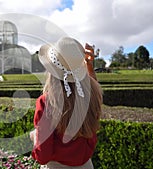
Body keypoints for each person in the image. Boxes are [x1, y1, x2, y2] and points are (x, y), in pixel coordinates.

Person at [30, 37, 103, 169]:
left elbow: (43, 156)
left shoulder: (47, 102)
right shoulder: (92, 96)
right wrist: (89, 68)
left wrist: (35, 137)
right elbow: (91, 88)